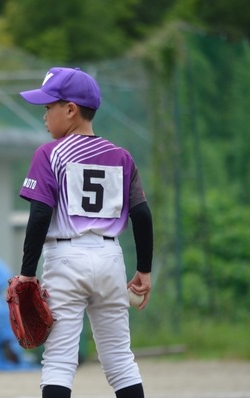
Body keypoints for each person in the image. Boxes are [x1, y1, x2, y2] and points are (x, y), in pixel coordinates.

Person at [17, 67, 153, 398]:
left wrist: (27, 274)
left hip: (66, 259)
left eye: (49, 107)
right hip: (110, 258)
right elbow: (142, 214)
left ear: (70, 109)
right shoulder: (122, 156)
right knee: (120, 361)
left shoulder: (50, 154)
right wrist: (144, 271)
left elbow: (39, 216)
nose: (45, 115)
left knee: (60, 362)